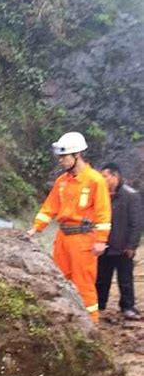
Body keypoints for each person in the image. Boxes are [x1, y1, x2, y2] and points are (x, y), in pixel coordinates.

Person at [27, 131, 111, 323]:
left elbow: (103, 213)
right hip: (63, 239)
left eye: (64, 156)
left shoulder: (95, 180)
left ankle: (91, 327)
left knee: (84, 284)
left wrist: (101, 241)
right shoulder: (62, 182)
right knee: (58, 281)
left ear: (77, 155)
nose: (61, 161)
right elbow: (49, 207)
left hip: (84, 240)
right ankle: (65, 322)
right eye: (60, 157)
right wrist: (35, 228)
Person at [96, 162, 142, 319]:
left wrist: (132, 245)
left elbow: (136, 223)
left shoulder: (131, 195)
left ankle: (128, 307)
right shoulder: (101, 195)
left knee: (125, 279)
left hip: (123, 246)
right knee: (101, 278)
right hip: (104, 244)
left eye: (105, 176)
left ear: (115, 176)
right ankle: (99, 305)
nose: (102, 180)